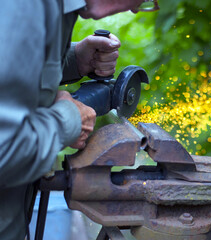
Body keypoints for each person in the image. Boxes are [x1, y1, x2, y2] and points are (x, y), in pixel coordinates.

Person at [0, 0, 159, 239]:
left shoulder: (56, 8)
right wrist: (70, 120)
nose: (135, 9)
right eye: (142, 0)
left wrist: (75, 60)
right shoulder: (25, 6)